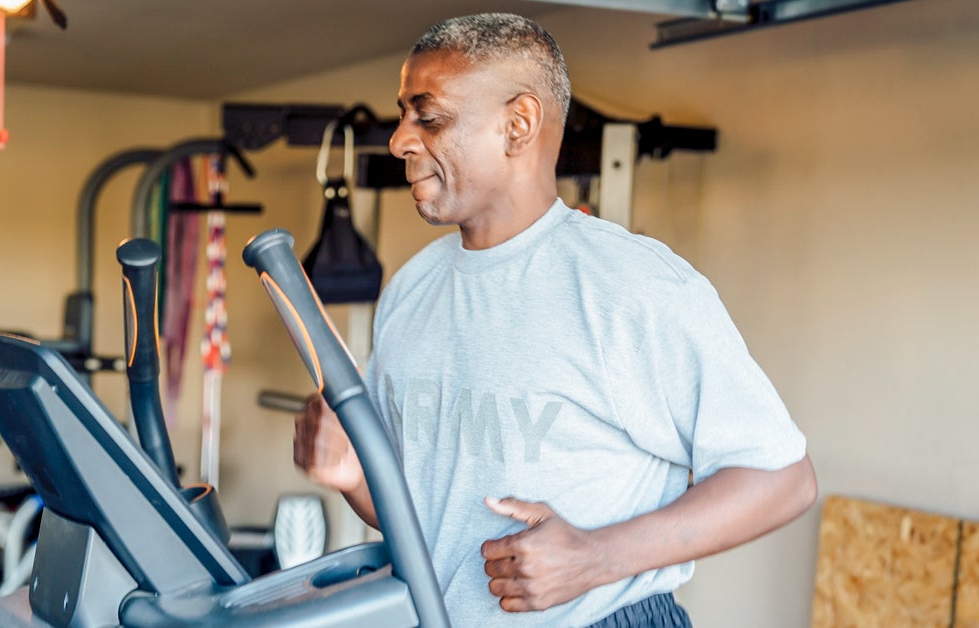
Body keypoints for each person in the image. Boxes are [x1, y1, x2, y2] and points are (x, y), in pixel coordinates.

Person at [293, 12, 817, 627]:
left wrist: (595, 557)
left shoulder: (633, 287)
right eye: (404, 116)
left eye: (427, 116)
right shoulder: (412, 288)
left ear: (518, 125)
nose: (401, 140)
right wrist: (355, 477)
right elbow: (429, 518)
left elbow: (783, 479)